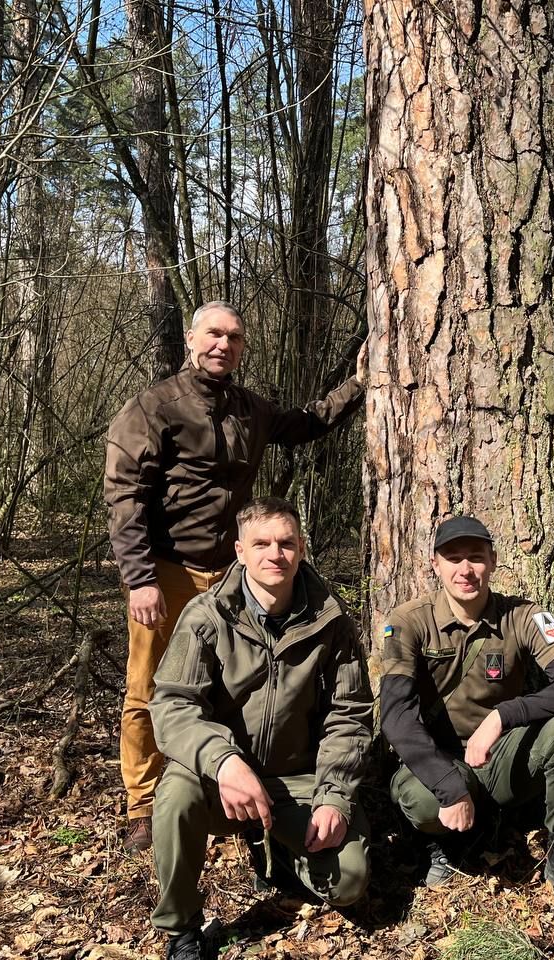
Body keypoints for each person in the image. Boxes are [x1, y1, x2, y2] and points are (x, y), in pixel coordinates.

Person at [105, 301, 365, 852]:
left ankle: (230, 784)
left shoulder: (249, 408)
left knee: (232, 683)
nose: (223, 345)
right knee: (149, 685)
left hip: (233, 572)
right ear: (191, 339)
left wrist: (359, 384)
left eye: (235, 337)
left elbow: (304, 424)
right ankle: (143, 801)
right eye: (214, 335)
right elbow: (125, 497)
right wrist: (140, 576)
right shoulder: (154, 407)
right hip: (167, 570)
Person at [148, 497, 373, 960]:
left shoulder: (332, 623)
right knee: (174, 796)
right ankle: (182, 929)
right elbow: (173, 703)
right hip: (218, 776)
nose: (276, 554)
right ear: (240, 551)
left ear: (301, 549)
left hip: (297, 778)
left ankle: (280, 854)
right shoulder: (206, 616)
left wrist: (334, 796)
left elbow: (349, 716)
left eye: (287, 543)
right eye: (262, 543)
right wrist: (223, 760)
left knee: (349, 881)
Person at [379, 516, 554, 930]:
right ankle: (441, 845)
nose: (465, 569)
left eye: (476, 557)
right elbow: (396, 715)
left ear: (492, 561)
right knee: (422, 800)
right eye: (452, 558)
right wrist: (450, 785)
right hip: (440, 762)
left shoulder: (524, 616)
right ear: (434, 565)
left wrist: (503, 715)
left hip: (501, 756)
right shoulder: (408, 621)